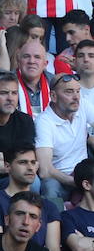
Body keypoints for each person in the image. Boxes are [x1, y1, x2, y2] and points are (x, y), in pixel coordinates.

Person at [36, 73, 92, 203]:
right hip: (59, 178)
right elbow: (45, 170)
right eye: (69, 92)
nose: (76, 97)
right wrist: (77, 182)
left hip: (83, 174)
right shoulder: (44, 122)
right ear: (53, 96)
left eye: (78, 91)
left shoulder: (81, 104)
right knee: (50, 187)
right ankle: (53, 222)